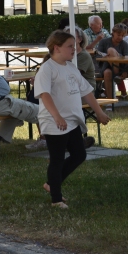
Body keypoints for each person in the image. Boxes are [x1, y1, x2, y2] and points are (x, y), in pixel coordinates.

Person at [35, 30, 110, 208]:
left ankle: (52, 184)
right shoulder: (47, 69)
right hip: (56, 122)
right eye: (70, 46)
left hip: (72, 120)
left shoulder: (70, 67)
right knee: (57, 159)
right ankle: (56, 199)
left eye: (75, 45)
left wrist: (99, 112)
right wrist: (57, 116)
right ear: (56, 48)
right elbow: (44, 95)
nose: (75, 49)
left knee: (79, 154)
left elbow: (86, 92)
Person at [95, 23, 128, 100]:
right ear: (113, 32)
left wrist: (125, 70)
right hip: (105, 66)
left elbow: (127, 59)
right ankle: (110, 102)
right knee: (110, 51)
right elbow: (98, 55)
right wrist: (104, 56)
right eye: (118, 34)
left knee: (108, 72)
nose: (120, 37)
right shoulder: (104, 42)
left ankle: (110, 101)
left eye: (122, 35)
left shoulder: (124, 44)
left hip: (121, 68)